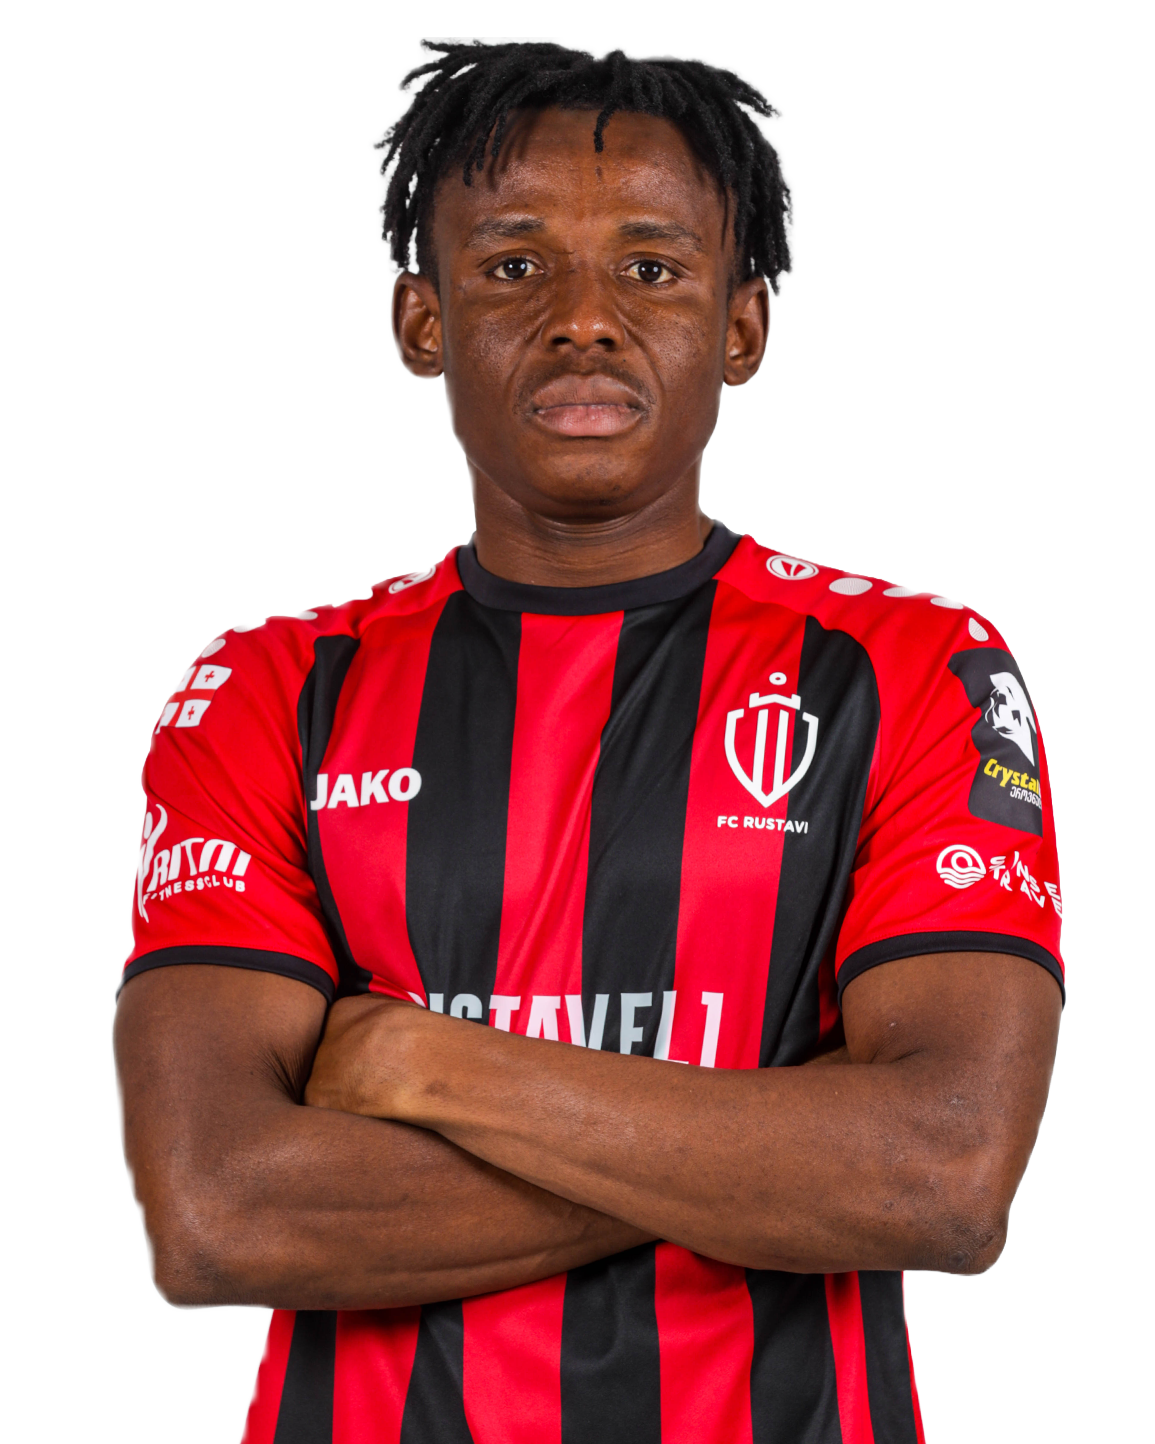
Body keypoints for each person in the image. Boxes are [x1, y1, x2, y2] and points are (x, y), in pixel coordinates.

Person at [114, 40, 1064, 1444]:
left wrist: (431, 1068)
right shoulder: (269, 688)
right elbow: (218, 1212)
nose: (582, 321)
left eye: (652, 268)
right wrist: (775, 1142)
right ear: (422, 322)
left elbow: (939, 1179)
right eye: (512, 267)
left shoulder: (913, 670)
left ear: (740, 327)